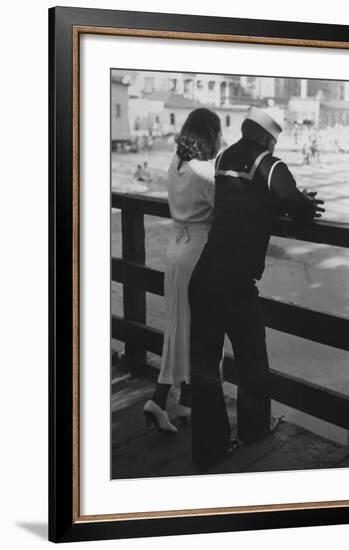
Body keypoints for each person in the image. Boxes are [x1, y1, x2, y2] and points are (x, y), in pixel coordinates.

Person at [188, 107, 325, 467]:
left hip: (203, 278)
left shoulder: (223, 160)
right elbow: (300, 209)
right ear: (268, 138)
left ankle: (209, 449)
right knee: (251, 359)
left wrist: (281, 201)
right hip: (235, 284)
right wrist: (300, 201)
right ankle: (254, 431)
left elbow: (243, 202)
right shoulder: (271, 165)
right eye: (273, 140)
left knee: (203, 367)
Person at [143, 108, 222, 433]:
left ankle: (183, 402)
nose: (221, 139)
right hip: (198, 254)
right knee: (200, 333)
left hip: (175, 251)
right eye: (218, 133)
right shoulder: (205, 173)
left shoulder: (176, 166)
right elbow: (227, 209)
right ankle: (161, 399)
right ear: (210, 136)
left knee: (178, 328)